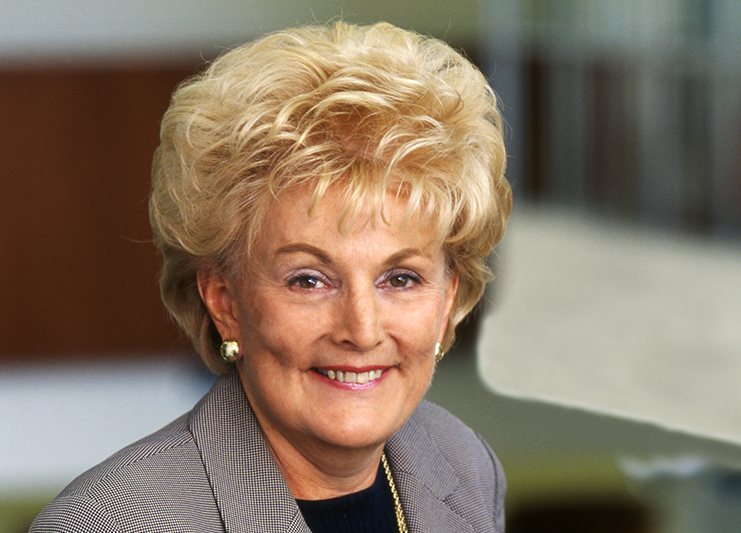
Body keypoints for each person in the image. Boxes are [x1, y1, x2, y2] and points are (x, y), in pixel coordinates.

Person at [30, 21, 512, 533]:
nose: (362, 330)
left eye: (400, 279)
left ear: (448, 297)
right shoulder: (109, 523)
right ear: (224, 301)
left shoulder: (462, 463)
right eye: (309, 280)